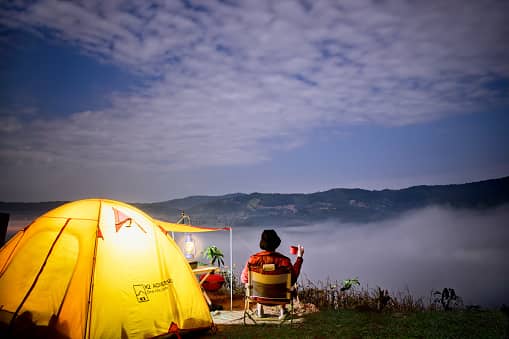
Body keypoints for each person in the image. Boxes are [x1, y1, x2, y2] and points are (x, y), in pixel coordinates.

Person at [241, 229, 304, 319]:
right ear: (276, 243)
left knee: (257, 285)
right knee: (286, 285)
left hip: (257, 297)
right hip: (281, 298)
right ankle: (283, 311)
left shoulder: (253, 260)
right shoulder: (284, 261)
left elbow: (244, 279)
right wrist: (299, 258)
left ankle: (259, 310)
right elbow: (293, 279)